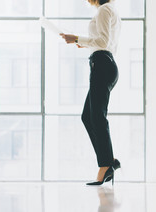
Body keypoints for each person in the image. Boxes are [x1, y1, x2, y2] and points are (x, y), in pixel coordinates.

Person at [60, 0, 121, 186]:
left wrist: (77, 38)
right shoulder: (110, 10)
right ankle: (108, 163)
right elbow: (104, 42)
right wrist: (85, 44)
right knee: (88, 116)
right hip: (104, 63)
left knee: (97, 117)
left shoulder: (104, 10)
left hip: (102, 64)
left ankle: (105, 165)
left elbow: (102, 42)